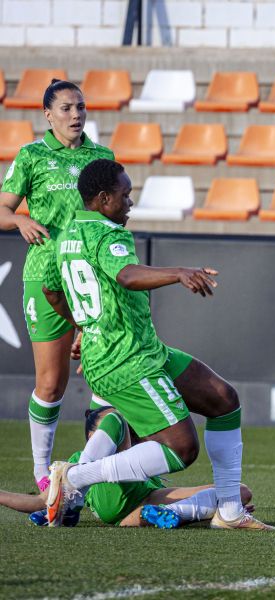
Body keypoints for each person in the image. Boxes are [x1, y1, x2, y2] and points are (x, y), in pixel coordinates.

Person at [41, 159, 275, 531]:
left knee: (223, 399)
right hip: (125, 360)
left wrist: (83, 326)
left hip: (142, 350)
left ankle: (229, 512)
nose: (130, 202)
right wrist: (179, 273)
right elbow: (128, 275)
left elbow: (51, 290)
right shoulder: (107, 233)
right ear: (103, 199)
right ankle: (76, 478)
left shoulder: (66, 234)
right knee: (182, 449)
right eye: (125, 195)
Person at [0, 79, 114, 492]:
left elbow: (115, 214)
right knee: (52, 382)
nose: (76, 115)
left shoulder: (102, 157)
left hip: (90, 278)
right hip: (45, 276)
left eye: (81, 107)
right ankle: (42, 473)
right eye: (66, 108)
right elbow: (2, 208)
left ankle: (93, 470)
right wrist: (19, 220)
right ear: (47, 114)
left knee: (106, 375)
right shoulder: (31, 155)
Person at [0, 407, 255, 528]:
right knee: (115, 416)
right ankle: (70, 503)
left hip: (130, 514)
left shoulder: (138, 456)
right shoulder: (78, 459)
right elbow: (38, 500)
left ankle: (178, 513)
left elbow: (40, 502)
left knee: (238, 492)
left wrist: (220, 504)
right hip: (109, 492)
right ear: (93, 438)